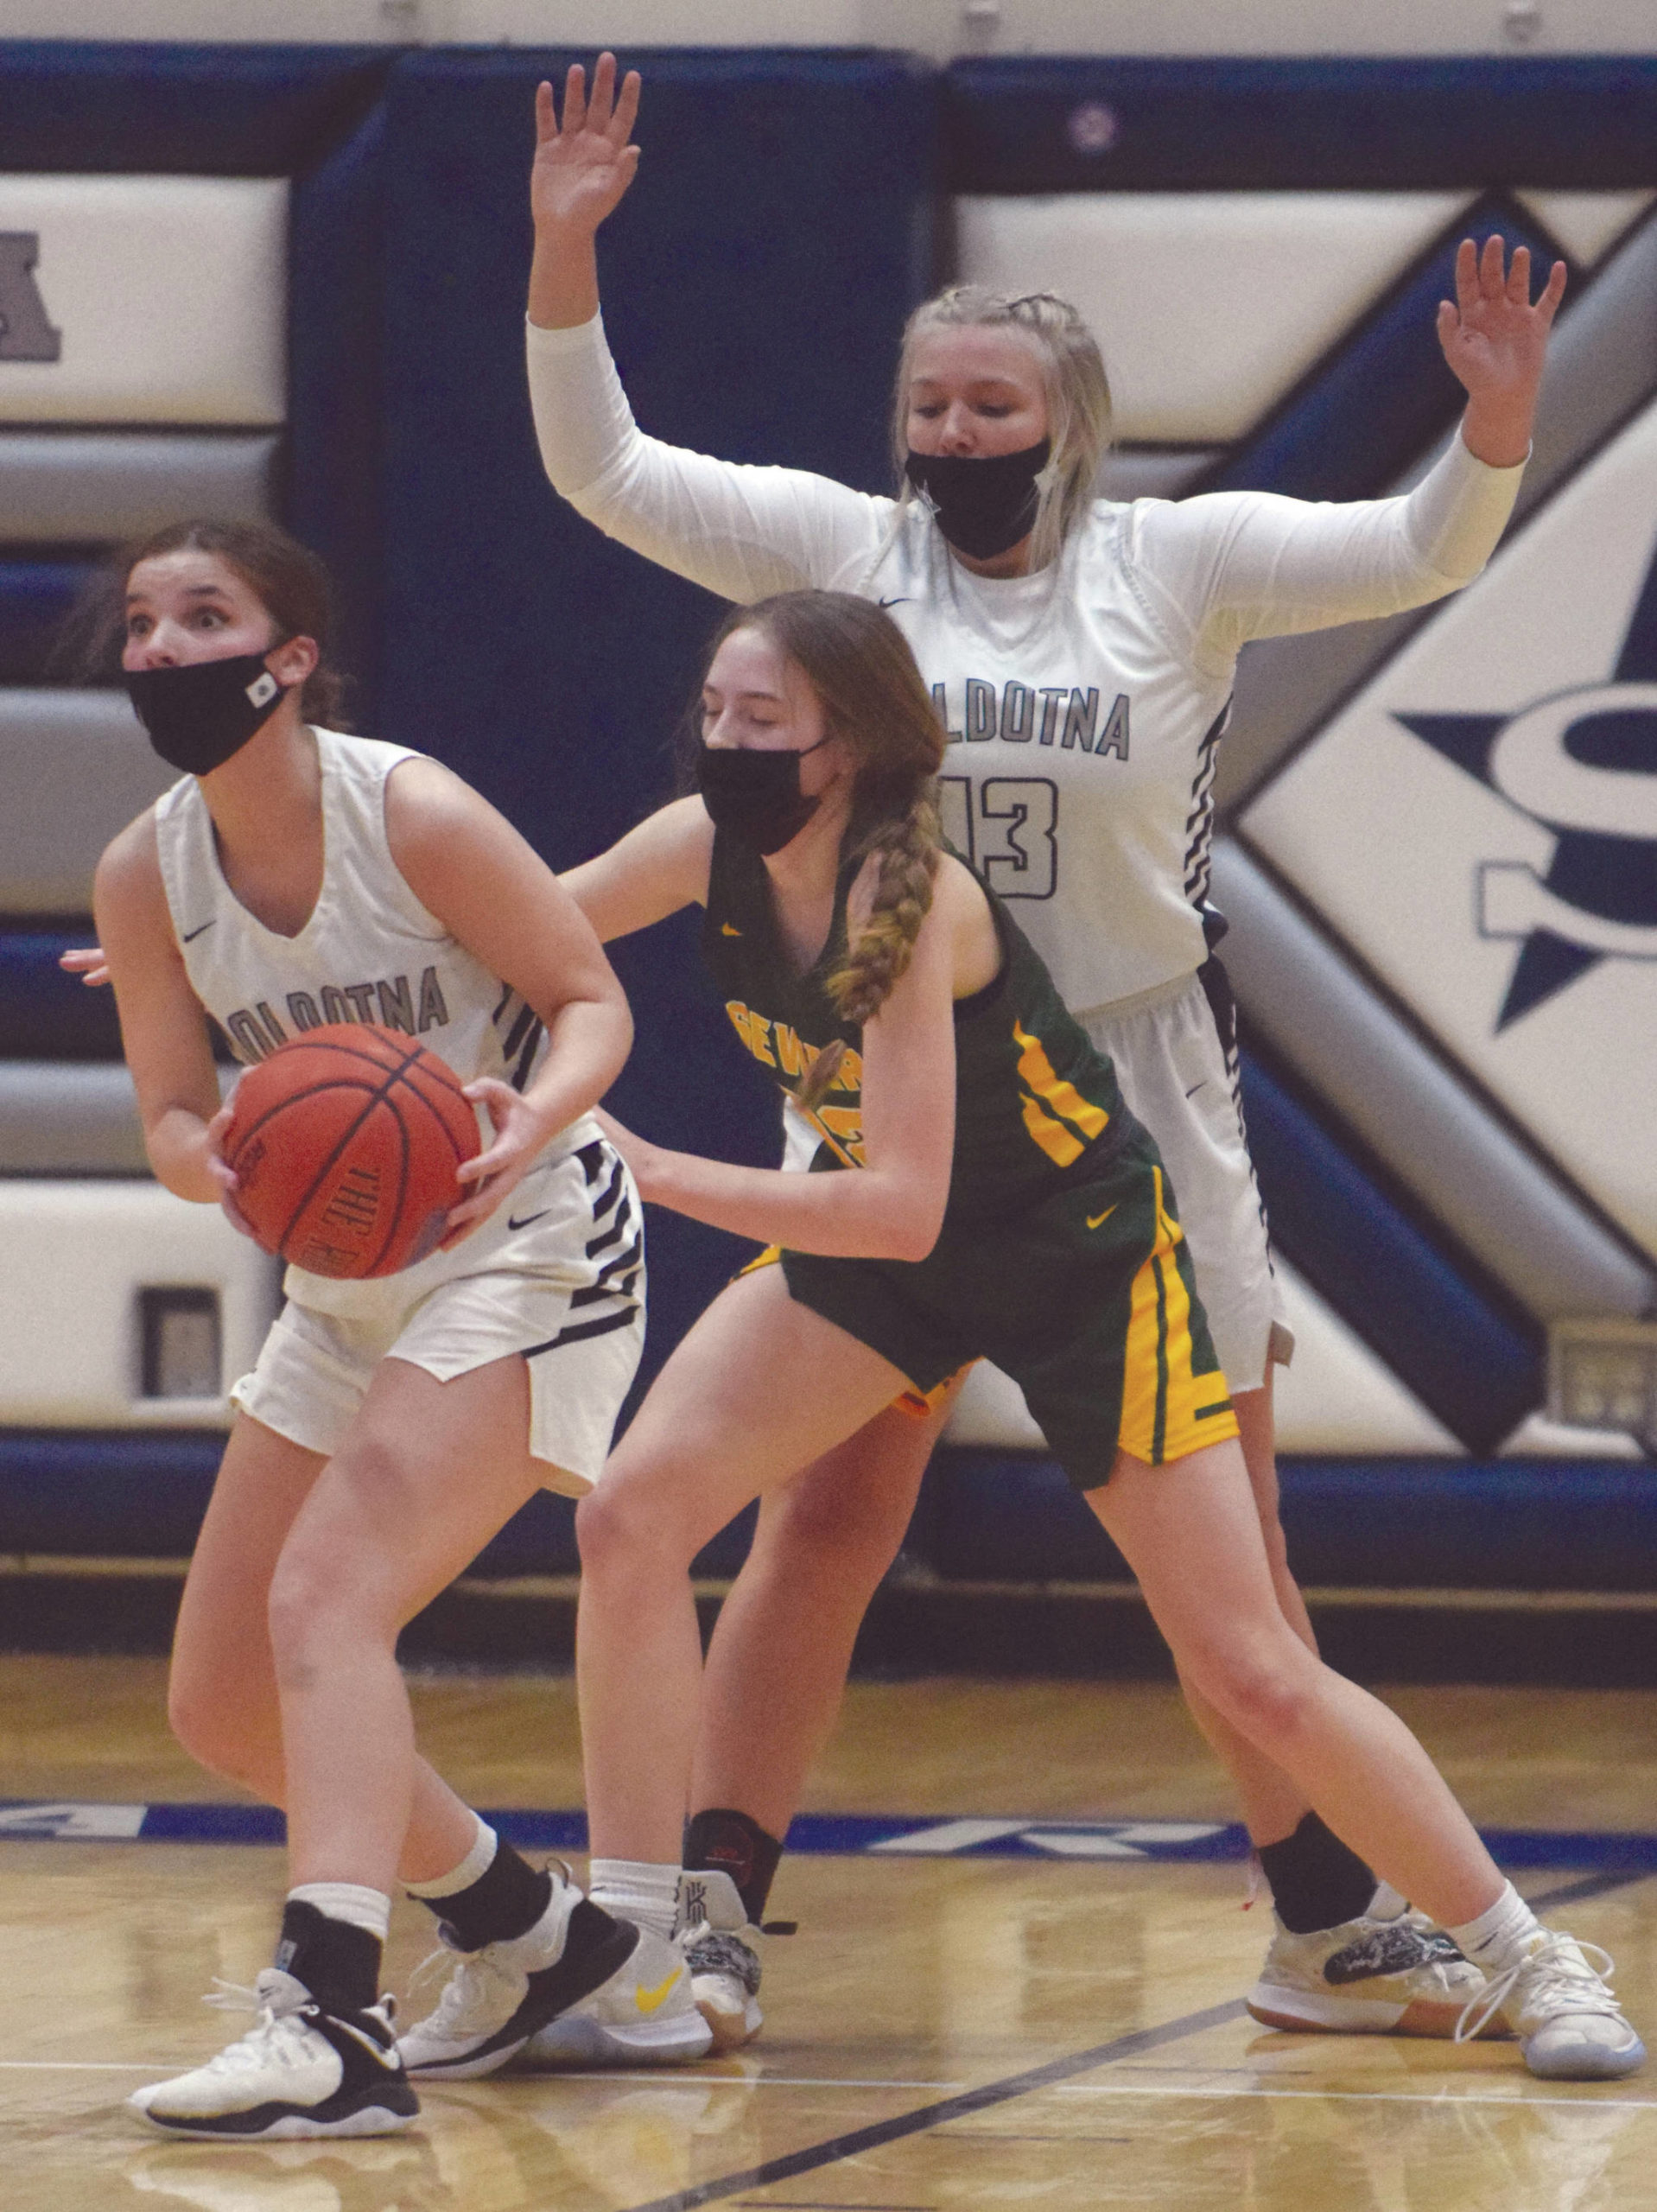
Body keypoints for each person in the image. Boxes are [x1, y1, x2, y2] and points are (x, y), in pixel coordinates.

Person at [518, 52, 1570, 2048]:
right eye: (926, 404)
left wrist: (1494, 428)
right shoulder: (843, 571)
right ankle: (712, 1910)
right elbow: (606, 475)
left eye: (986, 405)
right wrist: (563, 256)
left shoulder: (1171, 567)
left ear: (1064, 426)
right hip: (895, 1093)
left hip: (1136, 1095)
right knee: (821, 1517)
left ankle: (1322, 1920)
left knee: (1231, 1555)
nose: (948, 433)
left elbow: (1415, 550)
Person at [402, 588, 1641, 2087]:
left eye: (762, 721)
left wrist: (653, 1173)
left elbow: (909, 1203)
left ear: (848, 746)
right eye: (714, 712)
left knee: (1245, 1662)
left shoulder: (912, 896)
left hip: (1071, 1257)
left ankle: (1523, 1951)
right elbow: (488, 923)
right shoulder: (696, 847)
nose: (724, 741)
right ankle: (640, 1951)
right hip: (890, 1258)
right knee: (631, 1517)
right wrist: (259, 994)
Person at [90, 519, 711, 2140]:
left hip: (527, 1232)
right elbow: (167, 1108)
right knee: (225, 1700)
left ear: (287, 658)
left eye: (203, 615)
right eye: (144, 623)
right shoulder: (143, 867)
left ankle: (332, 2022)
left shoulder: (408, 809)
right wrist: (213, 1160)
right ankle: (537, 1936)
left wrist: (527, 1119)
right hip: (346, 1278)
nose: (163, 645)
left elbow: (592, 999)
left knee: (327, 1595)